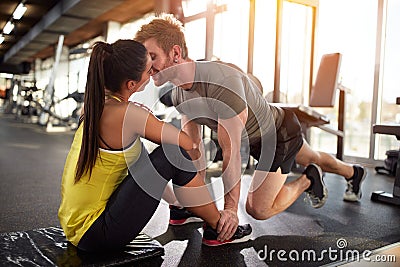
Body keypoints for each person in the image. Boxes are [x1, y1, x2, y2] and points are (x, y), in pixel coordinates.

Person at [134, 14, 367, 237]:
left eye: (152, 56)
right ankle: (354, 172)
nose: (148, 65)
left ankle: (308, 179)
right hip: (255, 138)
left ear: (175, 52)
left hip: (278, 134)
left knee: (258, 208)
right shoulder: (178, 96)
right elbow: (195, 150)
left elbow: (232, 151)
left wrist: (230, 212)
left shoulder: (221, 81)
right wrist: (195, 199)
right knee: (313, 155)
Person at [57, 39, 253, 251]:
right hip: (98, 233)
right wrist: (148, 116)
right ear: (132, 85)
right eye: (148, 70)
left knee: (149, 156)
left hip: (75, 226)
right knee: (173, 154)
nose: (152, 73)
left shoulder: (95, 105)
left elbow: (146, 167)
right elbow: (185, 143)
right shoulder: (128, 114)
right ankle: (219, 227)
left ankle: (180, 209)